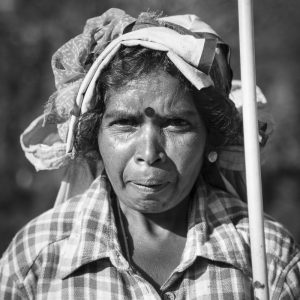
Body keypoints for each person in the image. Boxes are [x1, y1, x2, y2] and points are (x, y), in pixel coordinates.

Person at [0, 8, 299, 299]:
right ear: (94, 137)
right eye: (126, 124)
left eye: (176, 124)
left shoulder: (267, 257)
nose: (149, 153)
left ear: (210, 139)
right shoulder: (36, 260)